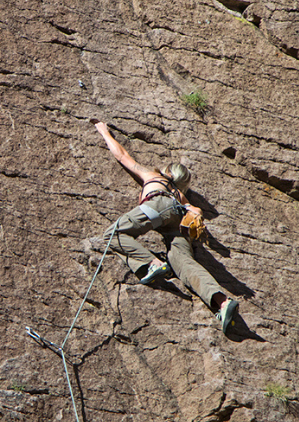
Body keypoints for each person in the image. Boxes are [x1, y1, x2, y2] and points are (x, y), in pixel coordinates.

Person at [94, 120, 239, 333]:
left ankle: (152, 263)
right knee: (183, 262)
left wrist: (104, 131)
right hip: (177, 219)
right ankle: (222, 302)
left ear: (168, 172)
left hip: (159, 206)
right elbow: (196, 211)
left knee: (112, 235)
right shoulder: (180, 194)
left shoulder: (155, 177)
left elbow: (122, 156)